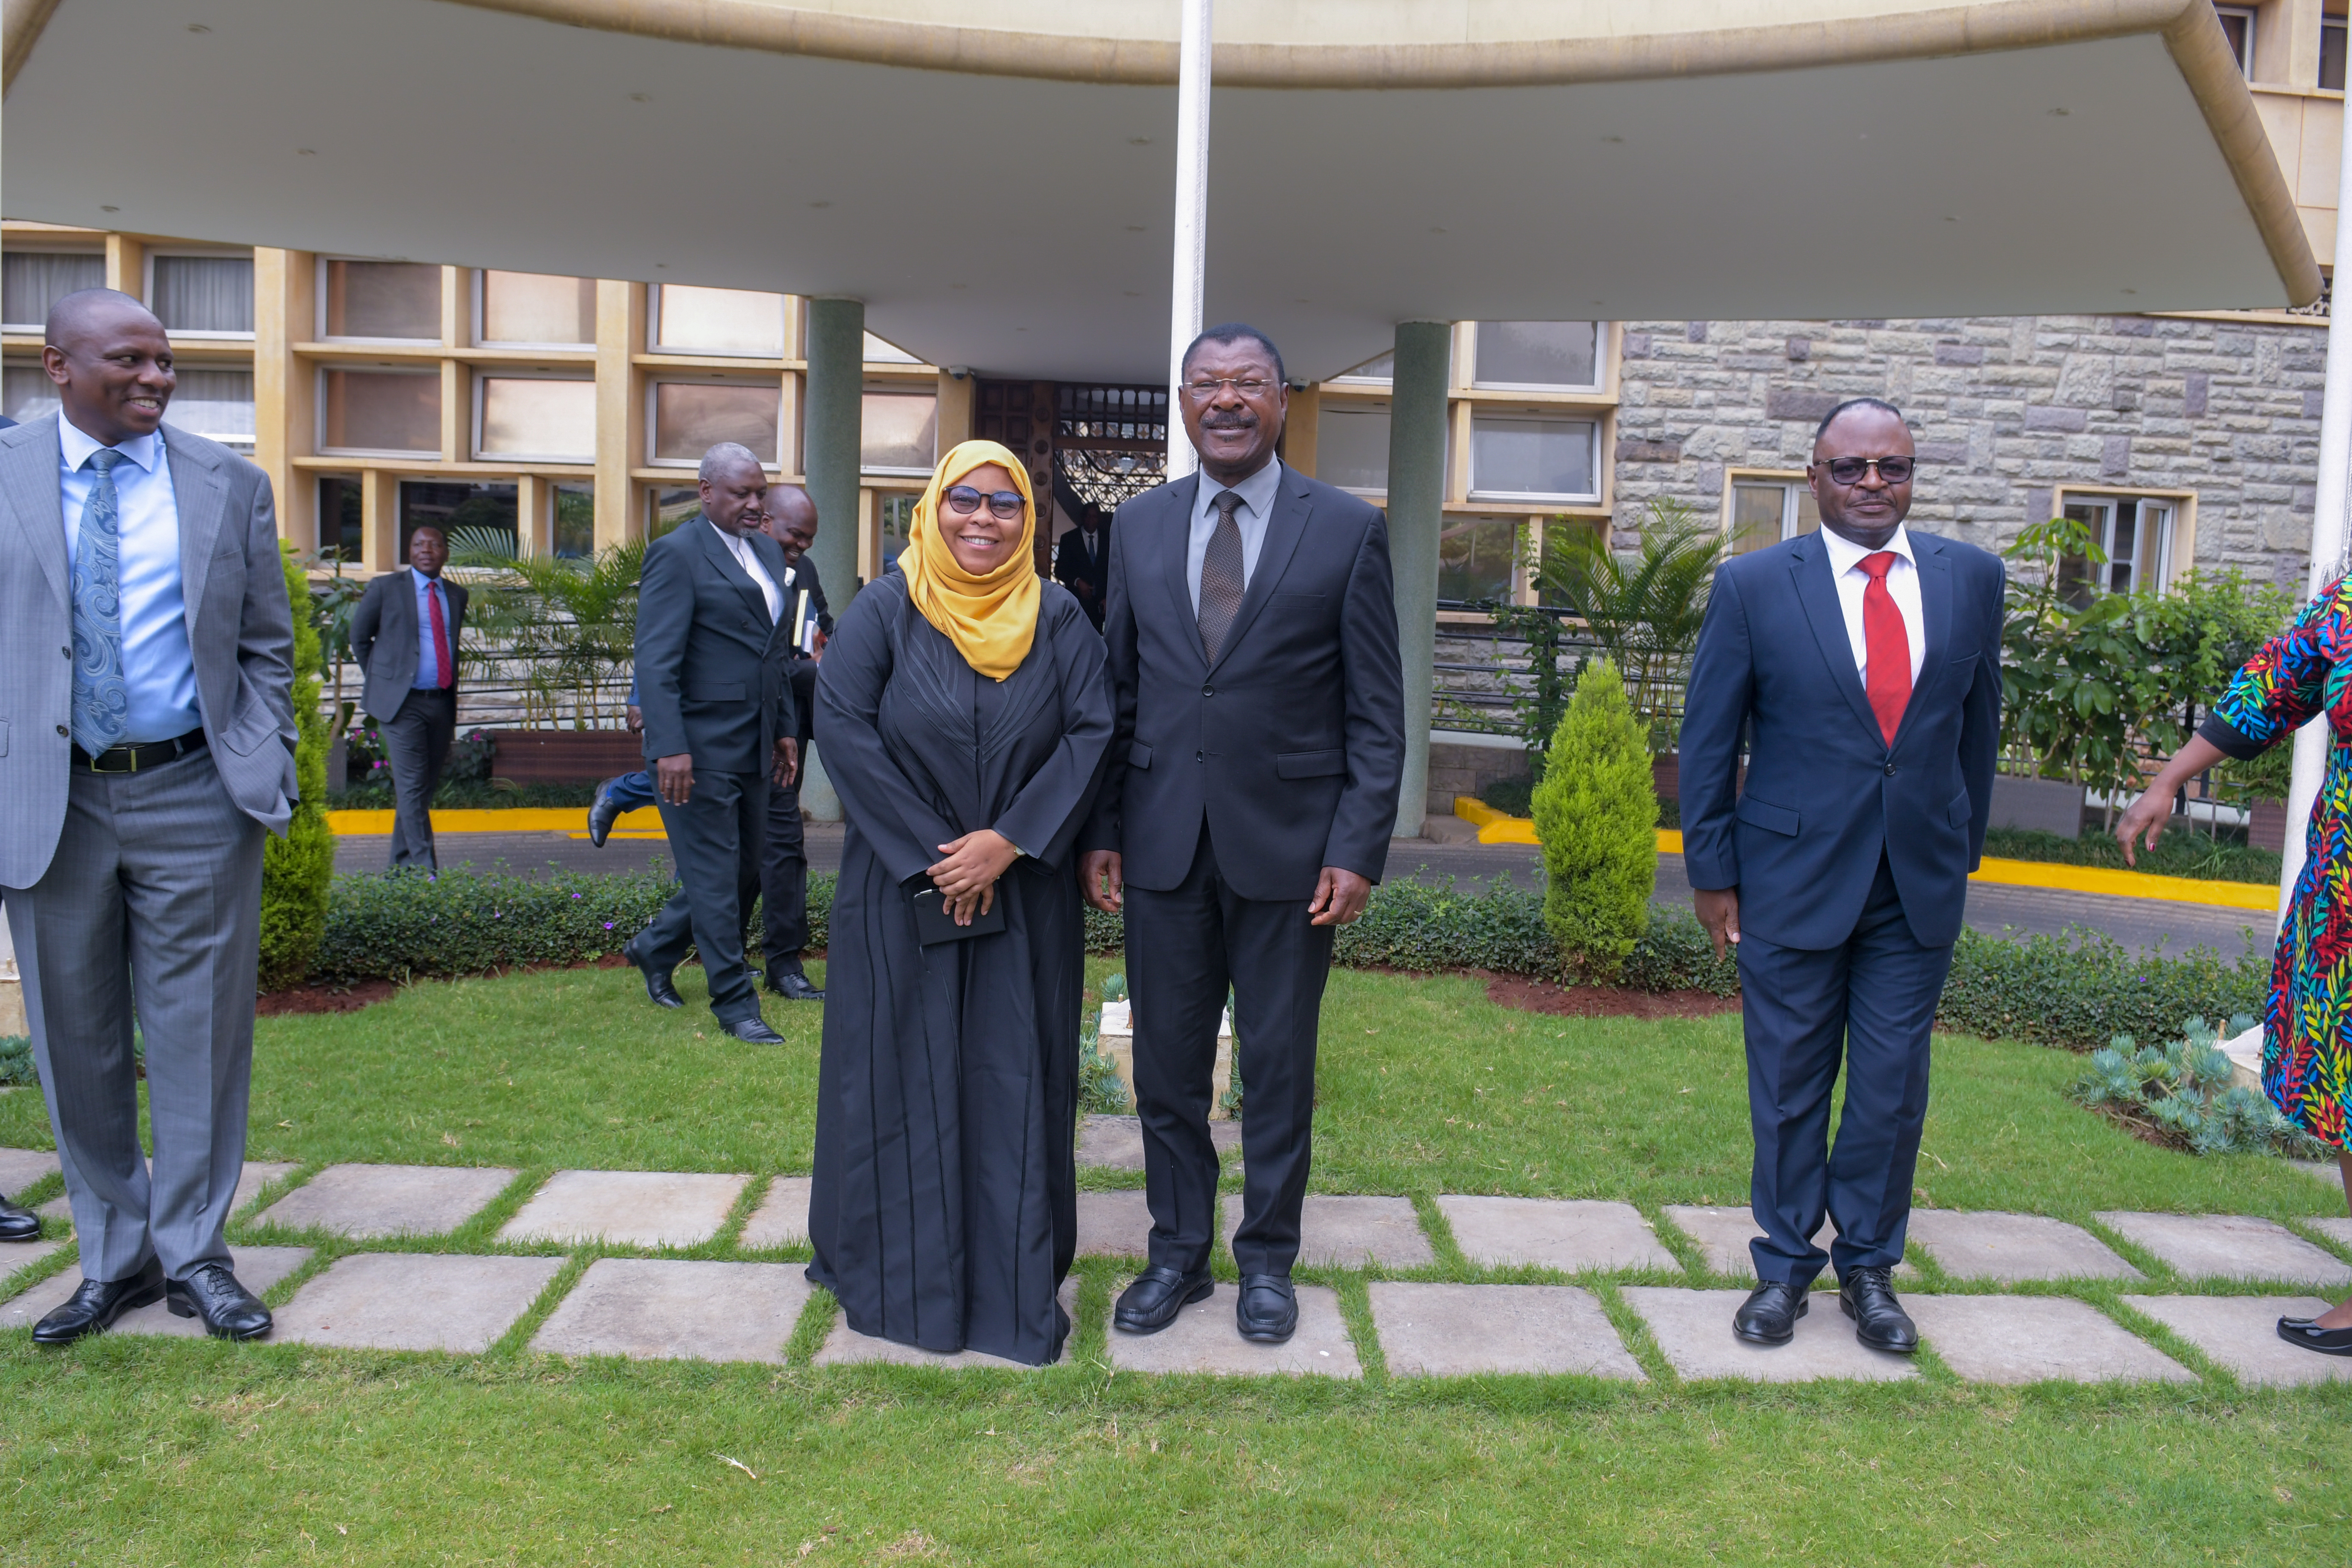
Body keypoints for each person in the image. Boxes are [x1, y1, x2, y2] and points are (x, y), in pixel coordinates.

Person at [1079, 324, 1405, 1345]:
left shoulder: (1346, 528)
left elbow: (1377, 709)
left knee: (1277, 1066)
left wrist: (1355, 847)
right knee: (1168, 1068)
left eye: (1247, 384)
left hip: (1293, 853)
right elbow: (1114, 690)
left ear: (1281, 399)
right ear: (1183, 402)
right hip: (1163, 842)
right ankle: (1177, 1252)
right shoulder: (1136, 527)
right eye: (1206, 384)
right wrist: (1101, 829)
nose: (1225, 400)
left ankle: (1267, 1259)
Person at [0, 289, 296, 1342]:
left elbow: (268, 640)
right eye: (128, 360)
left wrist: (262, 756)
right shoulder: (5, 478)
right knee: (74, 1044)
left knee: (198, 1037)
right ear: (58, 368)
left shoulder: (229, 483)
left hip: (194, 793)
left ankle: (196, 1257)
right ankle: (111, 1259)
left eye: (164, 361)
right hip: (49, 801)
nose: (156, 379)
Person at [1680, 396, 2003, 1354]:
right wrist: (1711, 871)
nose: (1872, 484)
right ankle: (1781, 1269)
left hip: (1914, 885)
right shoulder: (1752, 587)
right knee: (1785, 1083)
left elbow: (1979, 724)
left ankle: (1868, 1268)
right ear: (1812, 475)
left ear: (1912, 474)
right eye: (1851, 467)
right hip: (1784, 879)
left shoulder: (1970, 578)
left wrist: (1962, 843)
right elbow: (1708, 740)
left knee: (1890, 1089)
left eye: (1891, 467)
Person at [806, 439, 1111, 1366]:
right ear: (933, 509)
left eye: (1005, 504)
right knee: (898, 1075)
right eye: (965, 500)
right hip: (902, 897)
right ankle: (895, 1273)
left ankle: (1011, 1285)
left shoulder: (1059, 618)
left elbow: (1094, 729)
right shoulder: (886, 609)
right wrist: (941, 859)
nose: (983, 519)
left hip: (1026, 898)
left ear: (1029, 521)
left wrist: (1006, 841)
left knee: (1014, 1077)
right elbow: (843, 727)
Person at [2116, 592, 2352, 1356]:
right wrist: (2167, 780)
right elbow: (2266, 689)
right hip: (2345, 907)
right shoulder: (2348, 608)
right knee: (2343, 1086)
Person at [617, 443, 798, 1044]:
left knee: (745, 869)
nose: (753, 503)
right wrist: (669, 745)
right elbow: (657, 657)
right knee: (716, 876)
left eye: (759, 493)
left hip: (754, 741)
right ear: (706, 492)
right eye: (741, 493)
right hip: (693, 748)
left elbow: (776, 654)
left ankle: (654, 947)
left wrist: (787, 728)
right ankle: (734, 1003)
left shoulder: (767, 551)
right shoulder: (677, 555)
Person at [347, 521, 468, 869]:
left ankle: (399, 870)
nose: (425, 550)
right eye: (418, 545)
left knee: (420, 791)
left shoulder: (457, 595)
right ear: (409, 552)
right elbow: (359, 638)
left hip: (442, 703)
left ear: (445, 552)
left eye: (433, 545)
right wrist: (387, 680)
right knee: (413, 787)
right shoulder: (385, 588)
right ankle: (426, 871)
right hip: (402, 706)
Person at [754, 482, 831, 1002]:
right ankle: (661, 943)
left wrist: (833, 652)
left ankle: (784, 963)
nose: (801, 548)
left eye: (808, 540)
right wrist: (811, 672)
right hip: (744, 731)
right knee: (745, 854)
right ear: (764, 520)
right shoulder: (734, 570)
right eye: (793, 536)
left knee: (782, 847)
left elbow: (822, 626)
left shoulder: (802, 571)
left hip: (787, 734)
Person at [1053, 505, 1110, 630]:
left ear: (1099, 519)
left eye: (1094, 517)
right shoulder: (1069, 539)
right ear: (1083, 517)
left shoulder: (1109, 539)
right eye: (1088, 516)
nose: (1091, 520)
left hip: (1103, 604)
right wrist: (1077, 581)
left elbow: (1115, 572)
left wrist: (1109, 597)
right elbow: (1060, 570)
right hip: (1077, 602)